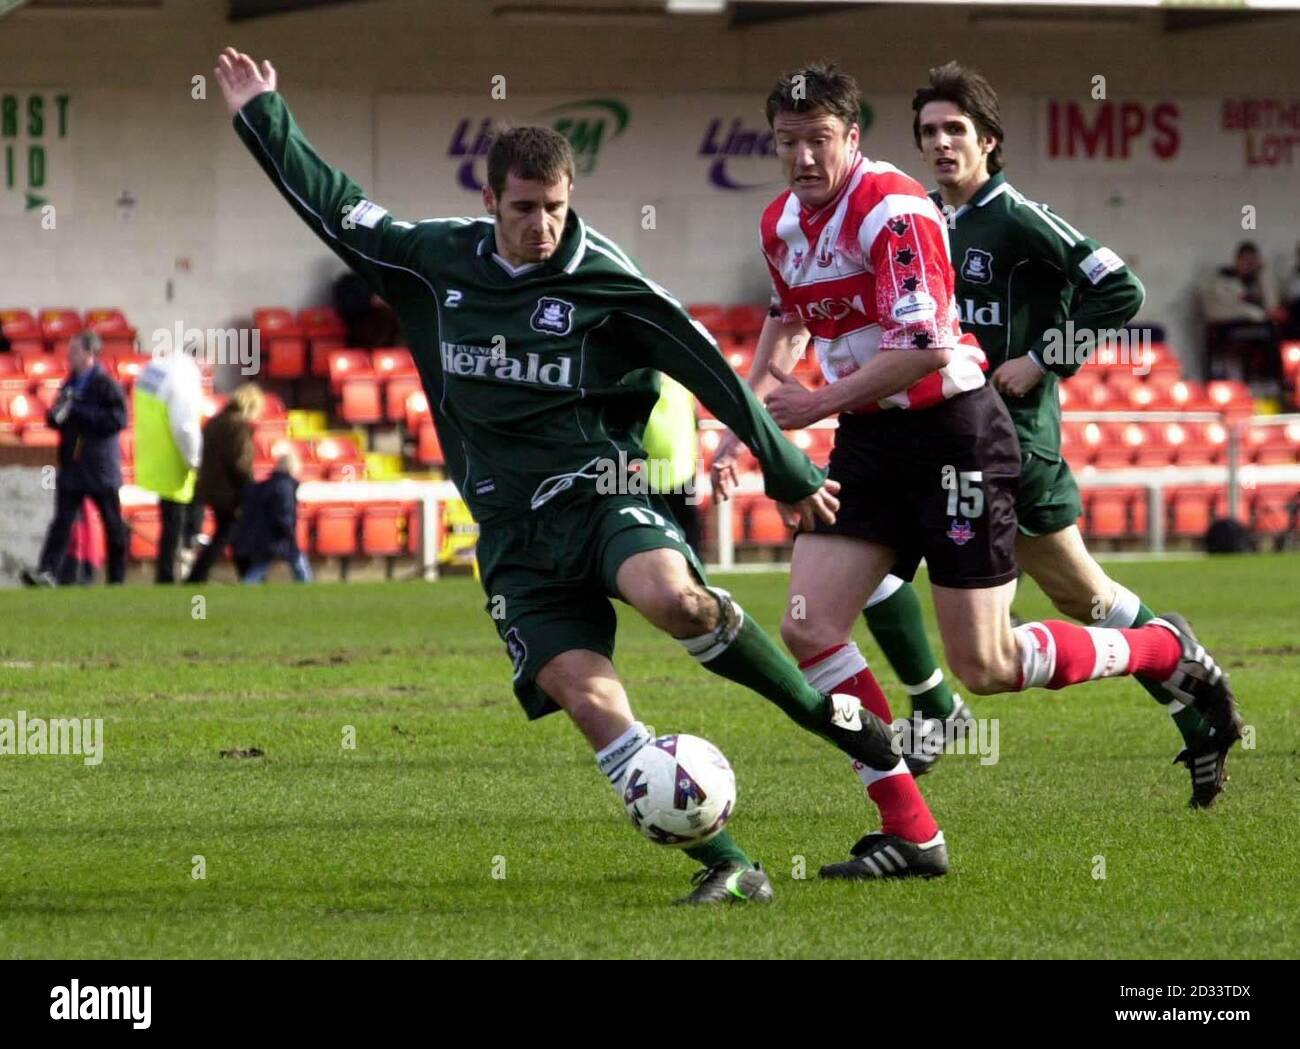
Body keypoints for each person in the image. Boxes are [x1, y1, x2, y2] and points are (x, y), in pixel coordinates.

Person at [218, 46, 931, 906]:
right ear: (490, 202)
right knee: (598, 710)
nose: (543, 226)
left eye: (555, 207)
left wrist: (785, 473)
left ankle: (840, 723)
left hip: (603, 500)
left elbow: (709, 367)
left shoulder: (606, 282)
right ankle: (731, 863)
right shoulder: (430, 261)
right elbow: (334, 208)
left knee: (680, 602)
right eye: (524, 209)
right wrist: (263, 114)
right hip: (513, 537)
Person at [711, 62, 1242, 879]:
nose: (804, 158)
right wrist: (737, 430)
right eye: (788, 143)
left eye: (820, 140)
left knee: (987, 667)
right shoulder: (781, 220)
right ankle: (913, 834)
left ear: (853, 138)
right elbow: (787, 319)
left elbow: (924, 345)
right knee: (811, 626)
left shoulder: (895, 208)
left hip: (957, 434)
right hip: (872, 437)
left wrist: (1036, 361)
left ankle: (1161, 652)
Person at [22, 331, 128, 587]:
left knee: (113, 525)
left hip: (100, 467)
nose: (69, 356)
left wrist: (78, 411)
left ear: (90, 354)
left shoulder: (106, 385)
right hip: (73, 465)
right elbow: (56, 418)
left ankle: (117, 579)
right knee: (62, 521)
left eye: (75, 351)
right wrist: (56, 415)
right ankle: (46, 571)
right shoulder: (70, 382)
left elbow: (118, 420)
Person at [133, 344, 204, 583]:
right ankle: (171, 575)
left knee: (170, 521)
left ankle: (167, 574)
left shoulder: (155, 368)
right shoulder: (185, 377)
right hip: (175, 458)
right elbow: (185, 426)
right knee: (177, 523)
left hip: (153, 454)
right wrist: (195, 460)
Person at [186, 381, 263, 583]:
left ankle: (250, 577)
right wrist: (252, 487)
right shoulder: (239, 426)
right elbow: (240, 462)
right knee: (226, 534)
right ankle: (197, 576)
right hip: (229, 491)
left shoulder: (216, 421)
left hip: (212, 487)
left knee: (234, 535)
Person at [1201, 240, 1286, 384]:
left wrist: (1263, 276)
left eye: (1254, 261)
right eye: (1246, 261)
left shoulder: (1259, 280)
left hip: (1258, 329)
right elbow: (1216, 311)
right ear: (1237, 261)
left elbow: (1272, 307)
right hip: (1228, 328)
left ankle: (1272, 383)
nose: (1250, 265)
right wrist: (1256, 313)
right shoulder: (1223, 281)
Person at [641, 374, 701, 556]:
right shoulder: (639, 380)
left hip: (681, 470)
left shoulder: (682, 381)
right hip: (645, 472)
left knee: (687, 537)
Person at [236, 451, 312, 583]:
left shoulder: (270, 484)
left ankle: (247, 585)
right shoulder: (285, 487)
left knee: (262, 565)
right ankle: (307, 587)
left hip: (265, 536)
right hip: (276, 536)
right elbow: (284, 513)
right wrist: (288, 532)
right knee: (296, 562)